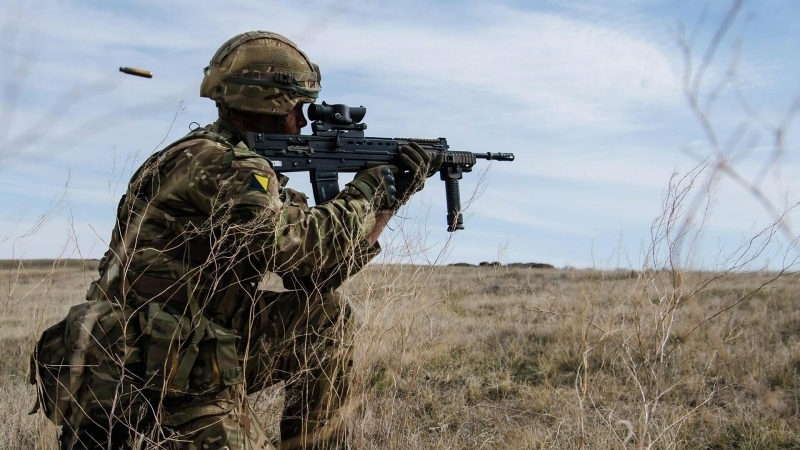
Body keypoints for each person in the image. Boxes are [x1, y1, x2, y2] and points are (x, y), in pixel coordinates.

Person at [30, 30, 441, 450]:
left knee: (324, 317)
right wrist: (366, 191)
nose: (302, 122)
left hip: (189, 347)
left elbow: (316, 274)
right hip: (152, 370)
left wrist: (385, 205)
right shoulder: (223, 166)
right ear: (268, 103)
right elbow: (303, 244)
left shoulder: (226, 164)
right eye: (297, 108)